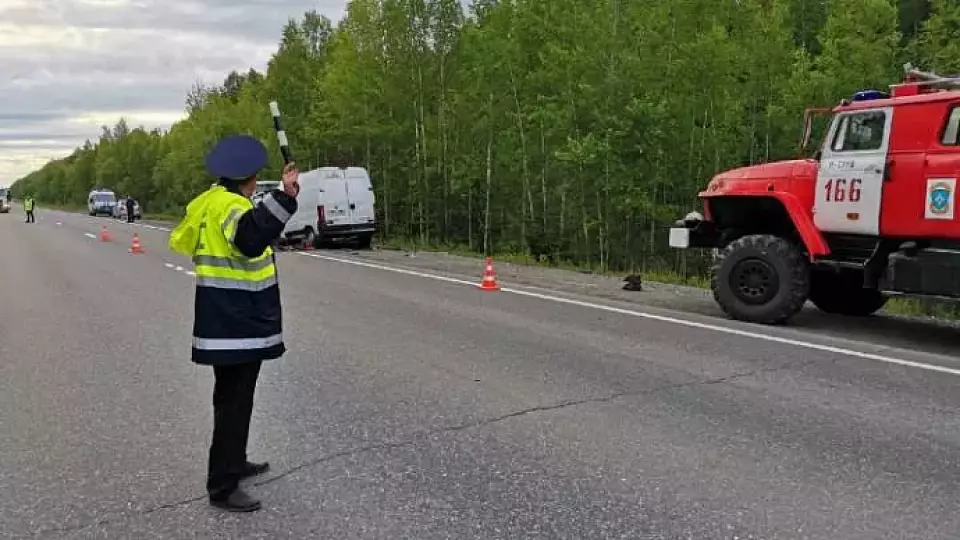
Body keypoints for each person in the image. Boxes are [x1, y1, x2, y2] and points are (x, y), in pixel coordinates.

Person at [170, 134, 299, 512]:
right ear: (251, 177)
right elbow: (249, 237)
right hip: (237, 320)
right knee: (234, 401)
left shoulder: (211, 200)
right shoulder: (230, 206)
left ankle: (234, 461)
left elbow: (248, 224)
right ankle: (223, 485)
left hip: (225, 318)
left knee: (234, 399)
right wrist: (287, 196)